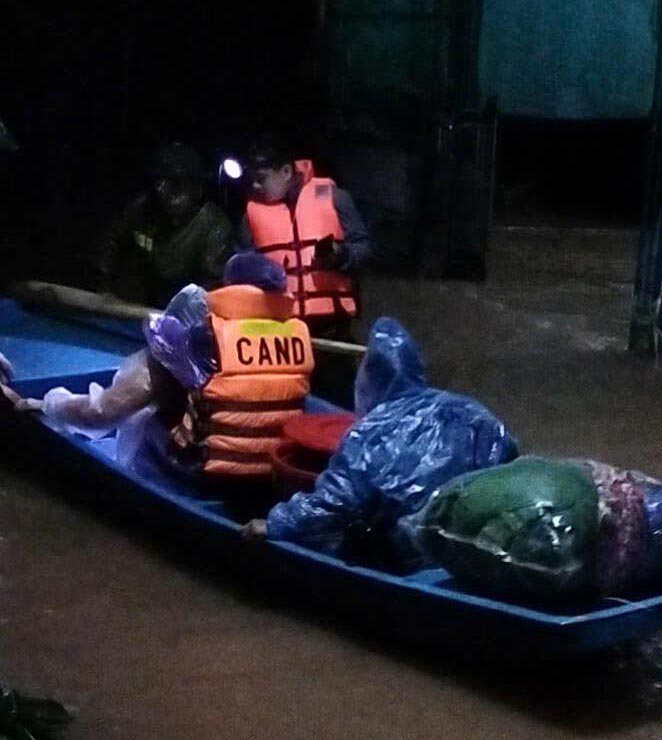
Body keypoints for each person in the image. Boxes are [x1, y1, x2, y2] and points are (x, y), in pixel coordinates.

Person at [240, 317, 518, 572]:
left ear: (370, 377)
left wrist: (276, 524)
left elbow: (334, 502)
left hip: (409, 553)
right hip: (465, 548)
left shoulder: (369, 434)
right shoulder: (473, 412)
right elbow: (508, 458)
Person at [37, 253, 313, 481]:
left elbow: (104, 413)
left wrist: (50, 404)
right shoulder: (296, 334)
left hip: (205, 473)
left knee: (151, 385)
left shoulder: (203, 337)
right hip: (272, 472)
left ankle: (143, 475)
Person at [237, 138, 376, 406]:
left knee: (336, 405)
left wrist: (340, 256)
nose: (255, 186)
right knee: (285, 405)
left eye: (261, 179)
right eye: (252, 179)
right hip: (280, 332)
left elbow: (365, 248)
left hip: (330, 331)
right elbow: (240, 265)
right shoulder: (251, 215)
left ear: (285, 171)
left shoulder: (334, 197)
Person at [99, 142, 232, 307]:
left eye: (176, 183)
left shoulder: (212, 224)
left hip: (186, 306)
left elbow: (213, 286)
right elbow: (110, 243)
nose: (163, 192)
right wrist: (104, 285)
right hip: (143, 298)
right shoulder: (144, 208)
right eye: (160, 183)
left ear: (197, 189)